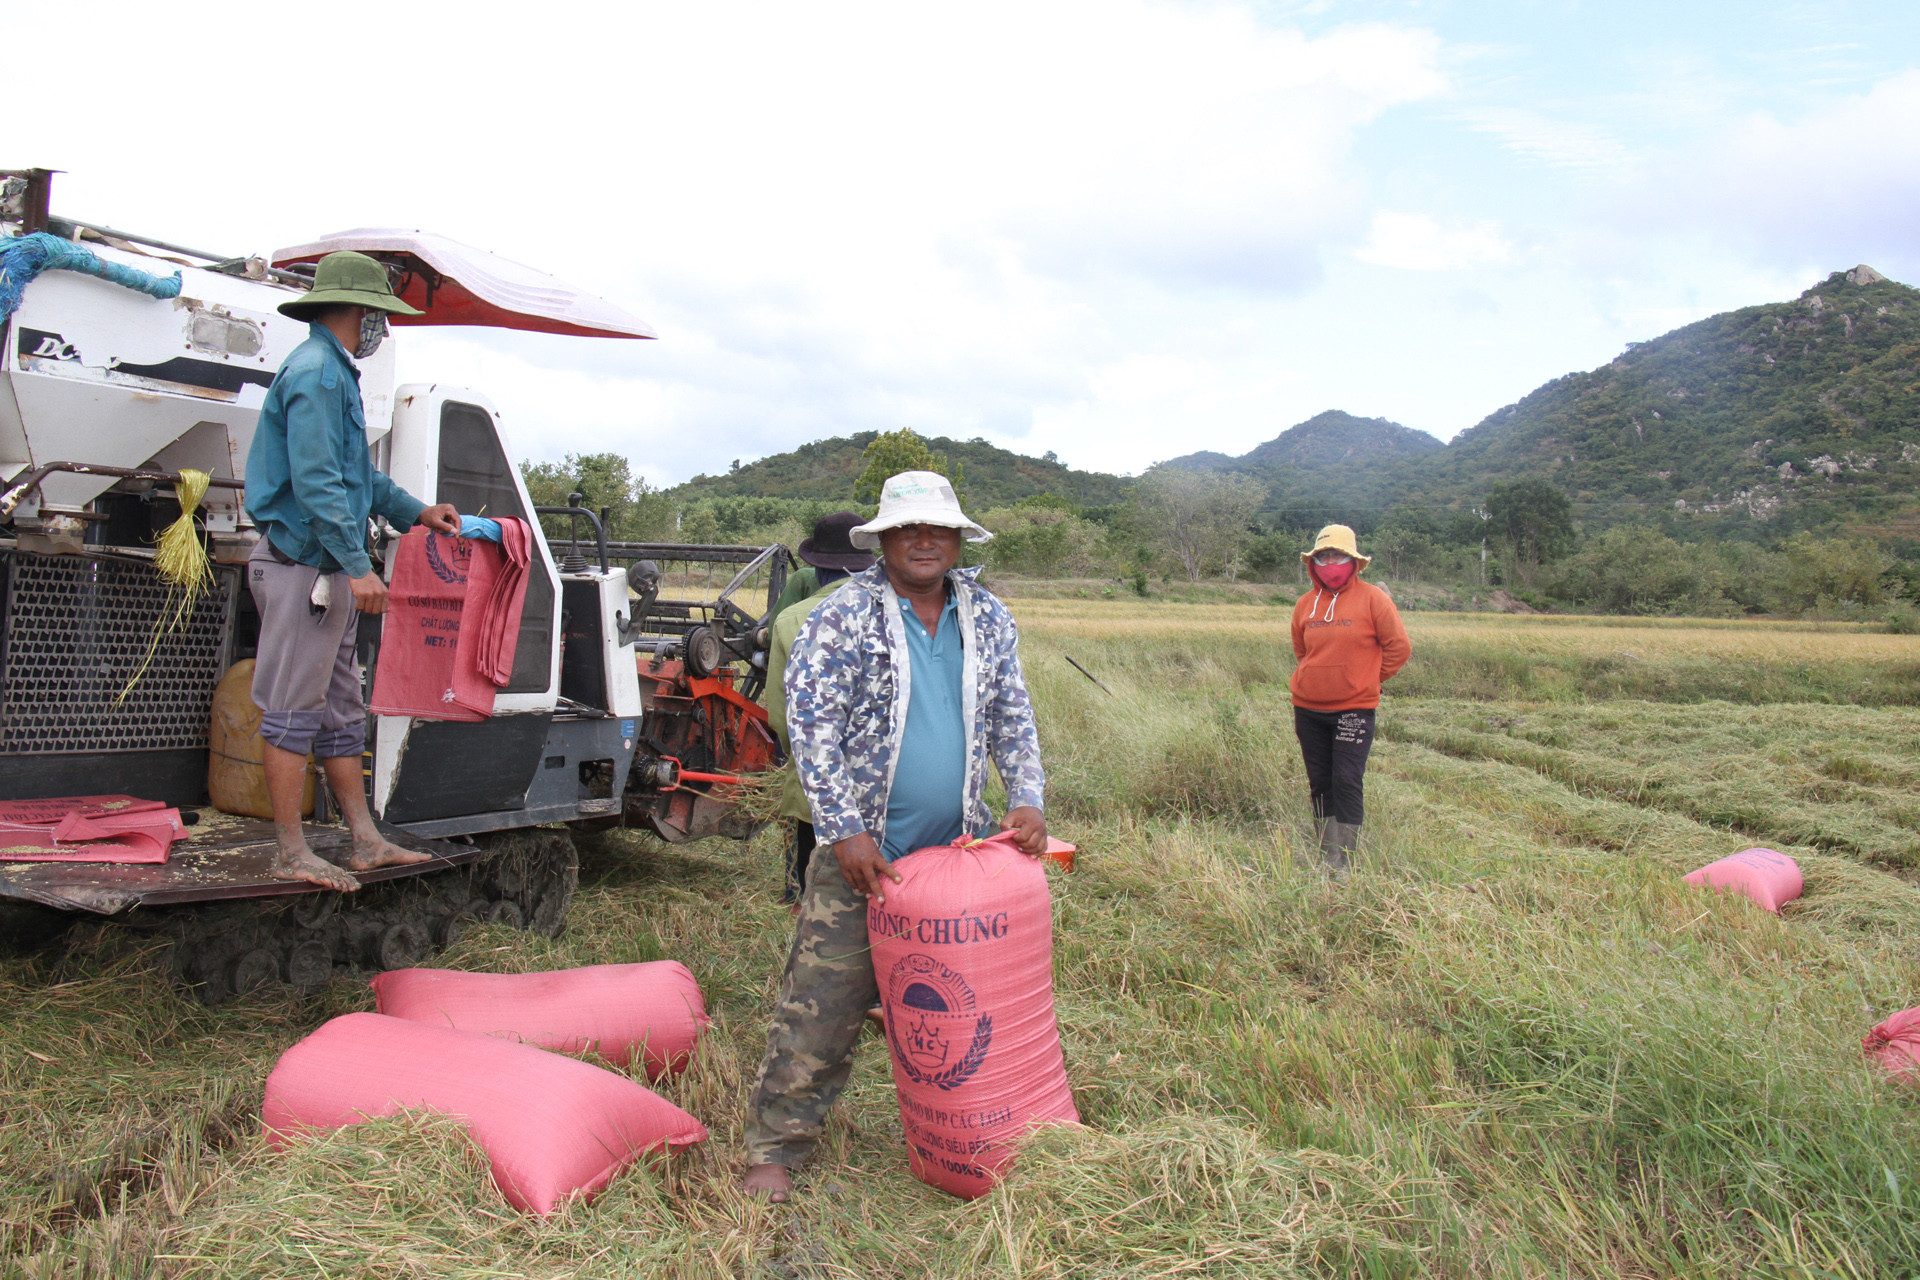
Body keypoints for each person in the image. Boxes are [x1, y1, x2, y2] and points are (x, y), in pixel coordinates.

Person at [741, 471, 1047, 1203]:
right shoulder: (841, 616)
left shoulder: (986, 615)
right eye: (907, 530)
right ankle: (777, 1149)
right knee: (824, 1001)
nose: (923, 542)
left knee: (964, 1005)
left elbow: (1013, 711)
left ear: (955, 539)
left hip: (960, 855)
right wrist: (843, 830)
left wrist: (1028, 796)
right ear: (882, 541)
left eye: (937, 530)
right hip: (865, 856)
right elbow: (811, 727)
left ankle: (972, 1134)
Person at [245, 251, 461, 892]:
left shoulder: (332, 373)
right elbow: (315, 484)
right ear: (362, 313)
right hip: (301, 568)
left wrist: (420, 512)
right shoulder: (316, 374)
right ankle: (290, 851)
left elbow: (357, 479)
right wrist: (356, 565)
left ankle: (364, 841)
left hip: (322, 570)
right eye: (378, 317)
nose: (380, 330)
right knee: (290, 708)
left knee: (339, 711)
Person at [763, 511, 874, 904]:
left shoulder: (793, 619)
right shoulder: (900, 611)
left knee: (818, 891)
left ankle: (803, 901)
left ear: (815, 566)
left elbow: (780, 715)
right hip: (892, 792)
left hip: (818, 791)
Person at [1289, 524, 1410, 874]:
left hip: (1354, 711)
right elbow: (1302, 650)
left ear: (1353, 560)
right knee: (1321, 781)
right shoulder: (1305, 604)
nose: (1329, 563)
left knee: (1346, 780)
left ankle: (1347, 863)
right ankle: (1329, 858)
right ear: (1313, 563)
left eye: (1337, 556)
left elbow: (1398, 649)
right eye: (1322, 557)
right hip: (1308, 709)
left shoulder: (1374, 599)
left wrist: (1367, 679)